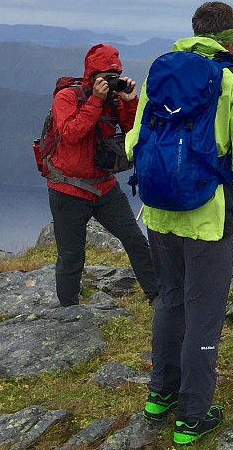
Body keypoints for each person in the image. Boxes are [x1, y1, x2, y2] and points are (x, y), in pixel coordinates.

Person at [126, 1, 233, 445]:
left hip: (160, 210)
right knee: (204, 313)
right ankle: (192, 416)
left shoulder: (159, 74)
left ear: (195, 31)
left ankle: (160, 395)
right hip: (207, 216)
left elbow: (134, 142)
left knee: (170, 300)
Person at [45, 43, 158, 308]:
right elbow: (71, 134)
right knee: (71, 256)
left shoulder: (115, 100)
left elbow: (135, 135)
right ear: (91, 75)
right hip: (68, 189)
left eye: (115, 74)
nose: (110, 80)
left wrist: (130, 103)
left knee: (135, 239)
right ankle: (68, 309)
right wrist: (95, 100)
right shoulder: (67, 98)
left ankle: (157, 295)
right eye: (105, 75)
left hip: (104, 187)